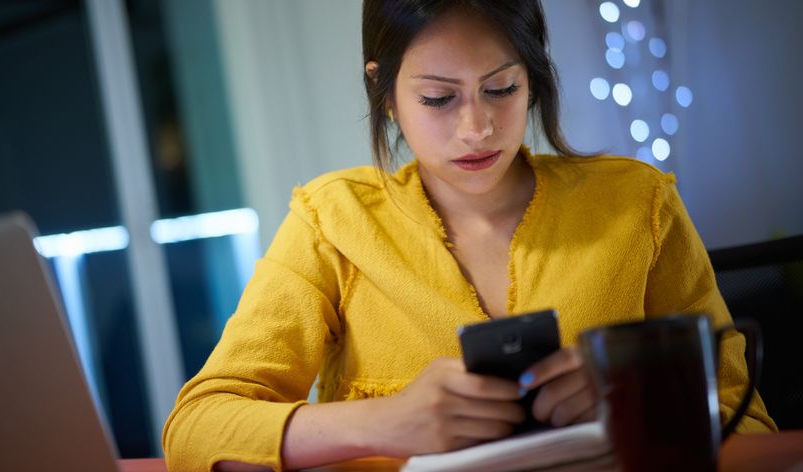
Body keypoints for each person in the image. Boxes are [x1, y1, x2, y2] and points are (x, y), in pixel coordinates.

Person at [163, 1, 776, 470]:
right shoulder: (333, 221)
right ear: (387, 93)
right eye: (438, 98)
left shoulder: (636, 203)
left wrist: (631, 406)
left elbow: (748, 425)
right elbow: (195, 428)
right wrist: (382, 424)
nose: (477, 128)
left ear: (532, 76)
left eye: (502, 89)